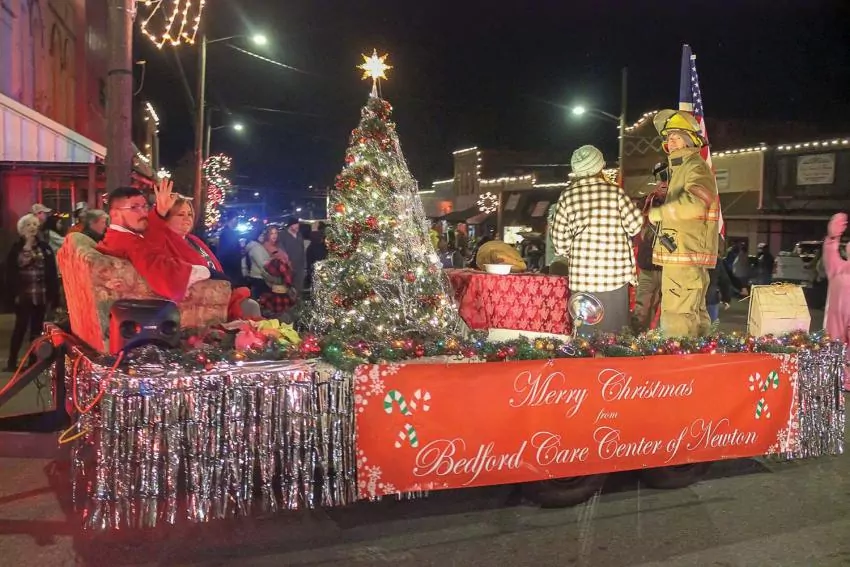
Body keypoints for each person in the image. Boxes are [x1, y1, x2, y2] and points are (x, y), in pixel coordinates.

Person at [551, 145, 643, 334]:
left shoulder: (567, 196)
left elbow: (559, 243)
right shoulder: (615, 193)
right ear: (600, 166)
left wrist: (576, 249)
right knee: (616, 335)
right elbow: (635, 225)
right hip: (615, 277)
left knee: (585, 335)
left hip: (582, 279)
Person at [647, 109, 720, 338]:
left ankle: (677, 355)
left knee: (677, 314)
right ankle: (696, 352)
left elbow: (697, 204)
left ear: (689, 140)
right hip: (684, 254)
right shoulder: (682, 169)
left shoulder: (694, 167)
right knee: (692, 313)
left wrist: (660, 213)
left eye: (677, 137)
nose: (671, 142)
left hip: (685, 256)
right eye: (669, 137)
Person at [147, 179, 259, 320]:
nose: (187, 218)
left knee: (252, 308)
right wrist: (159, 213)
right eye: (180, 214)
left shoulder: (193, 240)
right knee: (250, 308)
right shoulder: (164, 240)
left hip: (220, 295)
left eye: (190, 214)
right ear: (167, 218)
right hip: (197, 303)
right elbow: (152, 235)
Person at [97, 186, 216, 302]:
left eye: (145, 207)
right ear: (115, 214)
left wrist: (159, 212)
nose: (143, 213)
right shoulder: (128, 242)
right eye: (134, 207)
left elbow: (153, 242)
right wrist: (206, 271)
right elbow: (164, 274)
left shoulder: (125, 237)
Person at [5, 214, 59, 371]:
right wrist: (27, 245)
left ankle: (33, 362)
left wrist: (54, 294)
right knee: (20, 328)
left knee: (36, 330)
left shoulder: (44, 247)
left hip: (41, 294)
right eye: (29, 225)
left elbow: (51, 271)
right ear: (22, 229)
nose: (32, 228)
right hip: (24, 295)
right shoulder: (17, 248)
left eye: (35, 224)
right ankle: (12, 362)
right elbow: (17, 266)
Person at [632, 165, 668, 333]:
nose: (663, 183)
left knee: (667, 309)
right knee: (641, 307)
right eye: (659, 179)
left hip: (669, 267)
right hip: (648, 266)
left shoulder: (678, 202)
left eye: (666, 179)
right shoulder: (647, 202)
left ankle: (659, 340)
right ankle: (636, 339)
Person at [822, 213, 850, 391]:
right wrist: (833, 238)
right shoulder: (838, 269)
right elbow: (830, 254)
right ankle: (839, 377)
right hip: (837, 319)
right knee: (836, 343)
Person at [279, 217, 306, 296]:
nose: (297, 226)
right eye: (295, 224)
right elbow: (281, 250)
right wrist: (286, 262)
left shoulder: (299, 235)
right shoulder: (283, 235)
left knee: (299, 288)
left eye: (298, 224)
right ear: (290, 225)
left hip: (300, 267)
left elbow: (302, 249)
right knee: (289, 289)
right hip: (288, 266)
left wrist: (304, 265)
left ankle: (298, 301)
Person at [217, 211, 244, 283]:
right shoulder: (229, 233)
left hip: (229, 268)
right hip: (231, 269)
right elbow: (228, 251)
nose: (237, 221)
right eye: (236, 219)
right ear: (231, 219)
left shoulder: (226, 232)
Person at [706, 256, 734, 323]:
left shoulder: (688, 256)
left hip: (691, 297)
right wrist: (726, 299)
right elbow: (724, 281)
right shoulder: (715, 260)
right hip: (710, 297)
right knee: (711, 324)